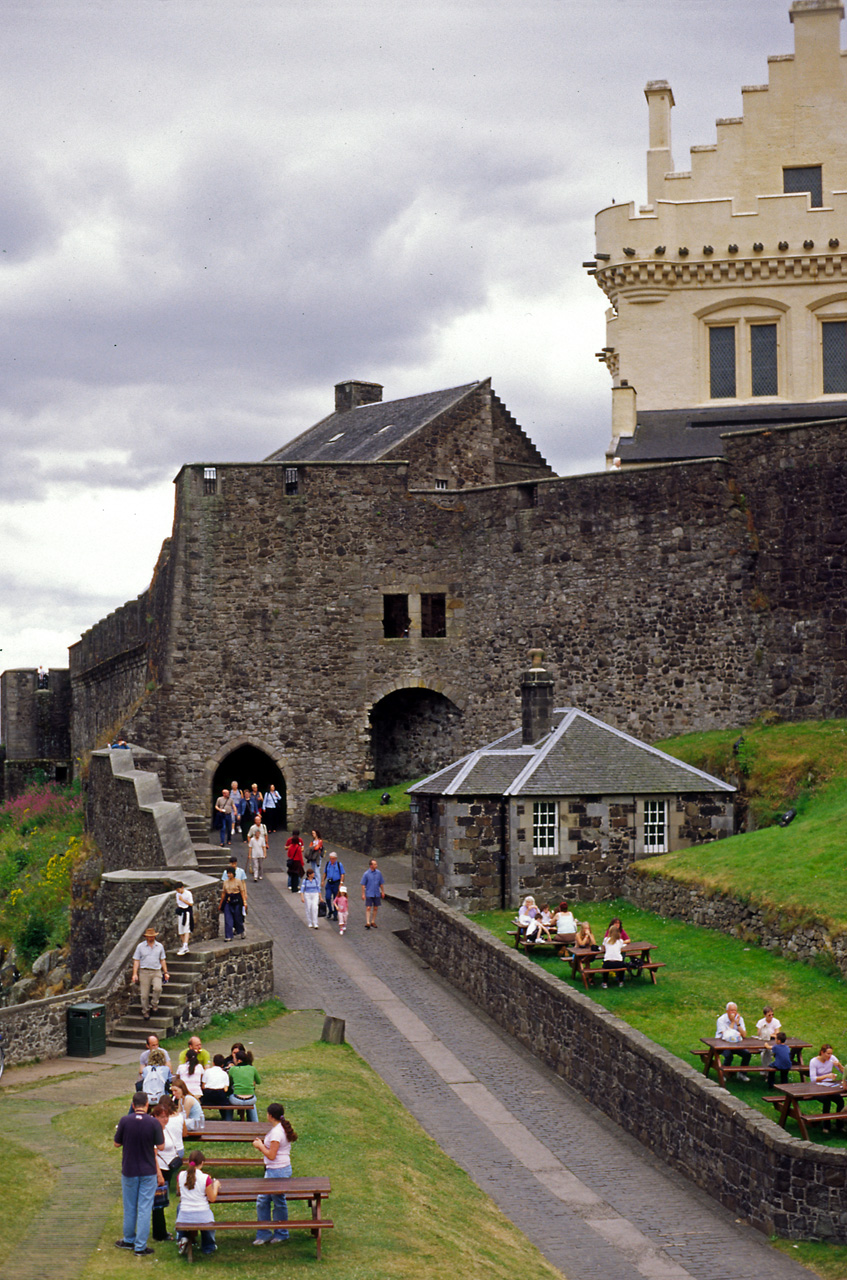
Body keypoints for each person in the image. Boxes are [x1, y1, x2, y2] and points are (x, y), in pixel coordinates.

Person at [114, 1090, 164, 1257]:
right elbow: (161, 1146)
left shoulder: (125, 1121)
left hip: (129, 1169)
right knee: (144, 1207)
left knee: (129, 1206)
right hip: (148, 1170)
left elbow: (116, 1143)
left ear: (133, 1105)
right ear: (147, 1105)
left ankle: (129, 1239)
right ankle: (140, 1246)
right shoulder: (153, 1123)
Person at [252, 1102, 297, 1246]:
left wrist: (260, 1146)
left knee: (274, 1201)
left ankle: (279, 1233)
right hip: (276, 1170)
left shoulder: (277, 1132)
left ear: (270, 1116)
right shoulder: (279, 1128)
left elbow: (272, 1155)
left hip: (278, 1171)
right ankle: (267, 1233)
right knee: (266, 1201)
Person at [176, 1149, 220, 1257]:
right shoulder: (205, 1178)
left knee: (179, 1208)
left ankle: (183, 1238)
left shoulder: (181, 1175)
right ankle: (208, 1246)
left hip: (185, 1215)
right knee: (208, 1219)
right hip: (202, 1214)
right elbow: (212, 1198)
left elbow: (179, 1191)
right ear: (202, 1163)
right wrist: (216, 1185)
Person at [151, 1101, 181, 1243]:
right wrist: (158, 1174)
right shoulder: (154, 1131)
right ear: (155, 1116)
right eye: (162, 1117)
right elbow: (153, 1154)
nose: (165, 1119)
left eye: (167, 1116)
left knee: (162, 1202)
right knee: (158, 1203)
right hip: (161, 1169)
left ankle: (161, 1231)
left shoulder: (166, 1129)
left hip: (169, 1167)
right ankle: (159, 1233)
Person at [131, 927, 170, 1021]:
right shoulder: (140, 946)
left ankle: (154, 1003)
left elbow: (162, 959)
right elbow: (136, 960)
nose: (151, 938)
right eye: (149, 936)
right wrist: (134, 974)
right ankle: (145, 1011)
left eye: (152, 936)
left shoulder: (159, 946)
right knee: (144, 995)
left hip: (156, 970)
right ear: (146, 937)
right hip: (144, 971)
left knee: (158, 988)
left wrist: (166, 972)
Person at [809, 1044, 844, 1132]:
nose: (830, 1056)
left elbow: (844, 1072)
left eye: (831, 1054)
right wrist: (826, 1076)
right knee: (826, 1101)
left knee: (840, 1100)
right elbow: (813, 1079)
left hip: (829, 1086)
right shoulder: (814, 1061)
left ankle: (839, 1125)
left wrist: (839, 1065)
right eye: (828, 1054)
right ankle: (826, 1126)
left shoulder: (832, 1058)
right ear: (822, 1052)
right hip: (817, 1087)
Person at [715, 1002, 751, 1081]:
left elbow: (744, 1035)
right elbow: (726, 1035)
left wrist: (737, 1023)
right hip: (722, 1044)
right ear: (727, 1011)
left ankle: (742, 1074)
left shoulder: (740, 1019)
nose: (733, 1012)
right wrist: (732, 1022)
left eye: (735, 1010)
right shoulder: (721, 1020)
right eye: (731, 1010)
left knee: (747, 1054)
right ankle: (723, 1074)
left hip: (736, 1044)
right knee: (728, 1055)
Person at [228, 1048, 261, 1122]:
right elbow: (259, 1081)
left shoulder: (233, 1069)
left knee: (229, 1100)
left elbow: (230, 1083)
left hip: (237, 1099)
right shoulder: (252, 1068)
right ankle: (255, 1121)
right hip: (251, 1099)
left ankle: (228, 1120)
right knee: (252, 1104)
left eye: (235, 1059)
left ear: (239, 1061)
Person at [201, 1054, 232, 1119]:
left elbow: (203, 1086)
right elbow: (226, 1089)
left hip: (208, 1095)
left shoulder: (207, 1071)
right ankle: (225, 1118)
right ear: (223, 1065)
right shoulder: (224, 1073)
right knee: (225, 1101)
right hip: (220, 1096)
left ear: (213, 1063)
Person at [220, 866, 247, 940]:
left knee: (237, 917)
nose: (229, 875)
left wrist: (244, 901)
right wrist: (221, 903)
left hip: (237, 900)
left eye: (230, 873)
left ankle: (241, 930)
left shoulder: (238, 881)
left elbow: (242, 891)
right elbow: (223, 893)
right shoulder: (225, 882)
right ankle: (228, 935)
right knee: (228, 918)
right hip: (228, 900)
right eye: (228, 873)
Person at [360, 857, 385, 929]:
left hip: (376, 893)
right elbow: (363, 884)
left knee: (376, 907)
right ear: (371, 865)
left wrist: (382, 891)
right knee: (368, 907)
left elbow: (381, 883)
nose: (376, 865)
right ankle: (368, 922)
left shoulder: (378, 873)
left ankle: (373, 921)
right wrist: (363, 894)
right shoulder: (366, 874)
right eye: (375, 864)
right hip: (369, 893)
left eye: (376, 864)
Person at [600, 923, 627, 988]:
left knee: (605, 966)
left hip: (608, 963)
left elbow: (604, 947)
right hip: (618, 963)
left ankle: (605, 982)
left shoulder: (606, 940)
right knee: (623, 965)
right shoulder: (620, 941)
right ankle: (621, 981)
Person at [322, 851, 345, 920]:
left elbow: (342, 874)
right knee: (327, 897)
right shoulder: (327, 864)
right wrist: (323, 880)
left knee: (336, 899)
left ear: (335, 858)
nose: (331, 860)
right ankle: (330, 910)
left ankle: (335, 914)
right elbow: (325, 873)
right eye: (330, 858)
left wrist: (341, 883)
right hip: (329, 883)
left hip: (336, 883)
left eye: (332, 859)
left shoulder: (339, 864)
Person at [247, 812, 269, 881]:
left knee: (260, 864)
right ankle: (255, 876)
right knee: (255, 865)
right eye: (256, 820)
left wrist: (266, 843)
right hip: (255, 846)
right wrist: (250, 843)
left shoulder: (263, 827)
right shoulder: (253, 828)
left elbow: (266, 835)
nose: (258, 822)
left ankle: (260, 874)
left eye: (259, 820)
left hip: (261, 845)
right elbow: (248, 835)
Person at [175, 882, 194, 955]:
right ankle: (184, 945)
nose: (178, 891)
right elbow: (178, 903)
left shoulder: (188, 893)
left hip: (187, 912)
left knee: (186, 929)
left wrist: (183, 900)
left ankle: (185, 945)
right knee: (180, 931)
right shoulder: (177, 894)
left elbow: (191, 903)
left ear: (182, 887)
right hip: (181, 912)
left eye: (178, 889)